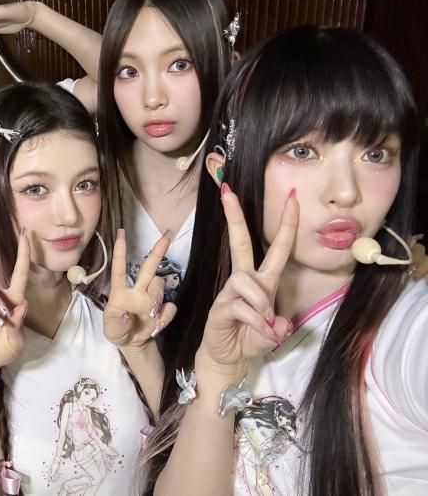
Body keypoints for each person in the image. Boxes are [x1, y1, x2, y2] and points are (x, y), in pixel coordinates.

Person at [144, 27, 428, 495]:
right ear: (225, 172)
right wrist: (217, 373)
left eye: (376, 153)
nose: (346, 192)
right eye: (303, 151)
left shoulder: (404, 330)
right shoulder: (219, 321)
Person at [0, 82, 176, 495]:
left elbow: (182, 459)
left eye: (85, 184)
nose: (68, 215)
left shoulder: (118, 313)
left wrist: (139, 348)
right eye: (35, 189)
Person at [0, 0, 236, 303]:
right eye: (129, 71)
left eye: (180, 64)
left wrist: (39, 16)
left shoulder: (248, 178)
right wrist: (37, 15)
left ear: (226, 63)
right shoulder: (84, 175)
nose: (152, 98)